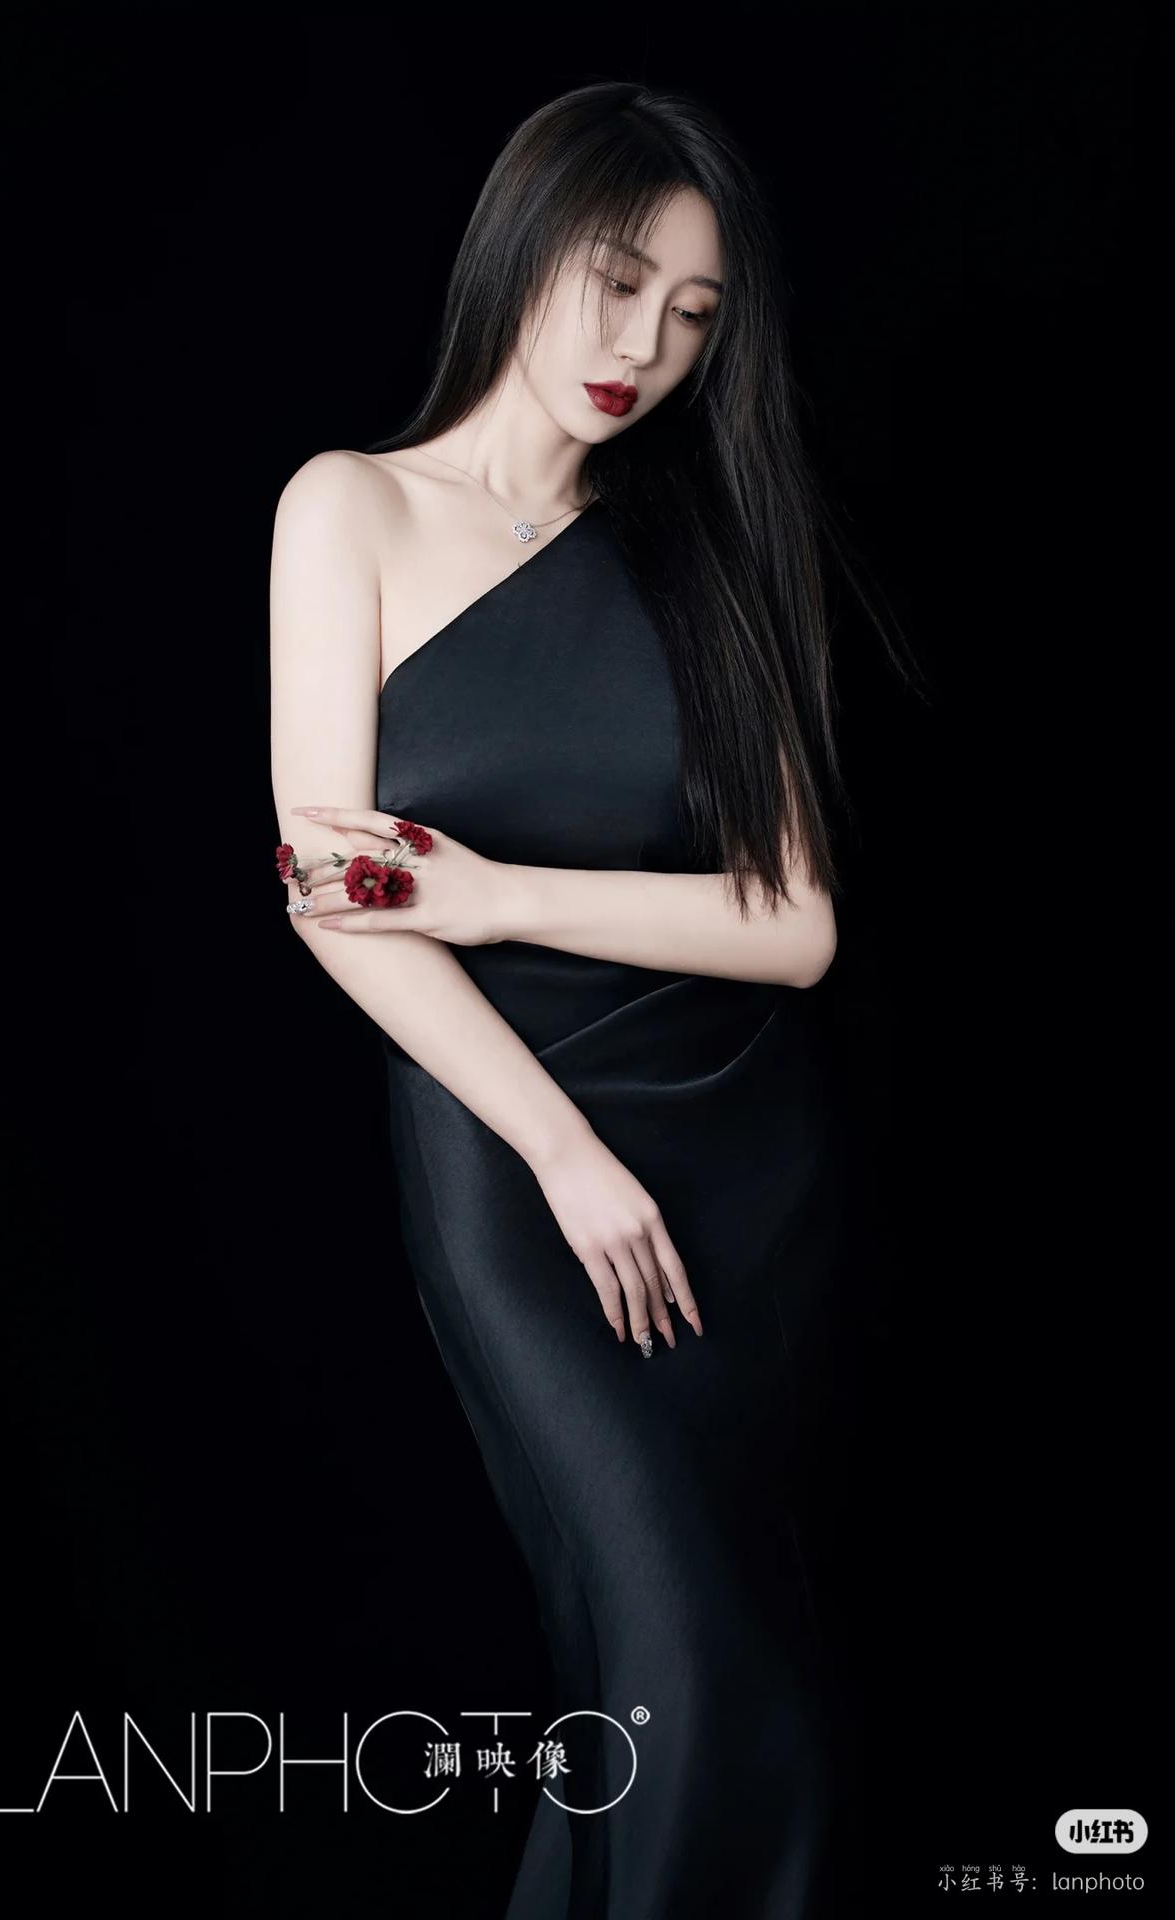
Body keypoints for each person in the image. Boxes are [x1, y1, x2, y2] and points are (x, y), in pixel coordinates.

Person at [270, 79, 898, 1920]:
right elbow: (335, 906)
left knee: (674, 1662)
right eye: (619, 284)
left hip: (741, 1156)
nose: (647, 347)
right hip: (512, 1150)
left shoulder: (718, 548)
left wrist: (494, 893)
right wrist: (560, 1154)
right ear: (525, 243)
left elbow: (796, 929)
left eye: (694, 316)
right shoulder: (350, 508)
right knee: (683, 1649)